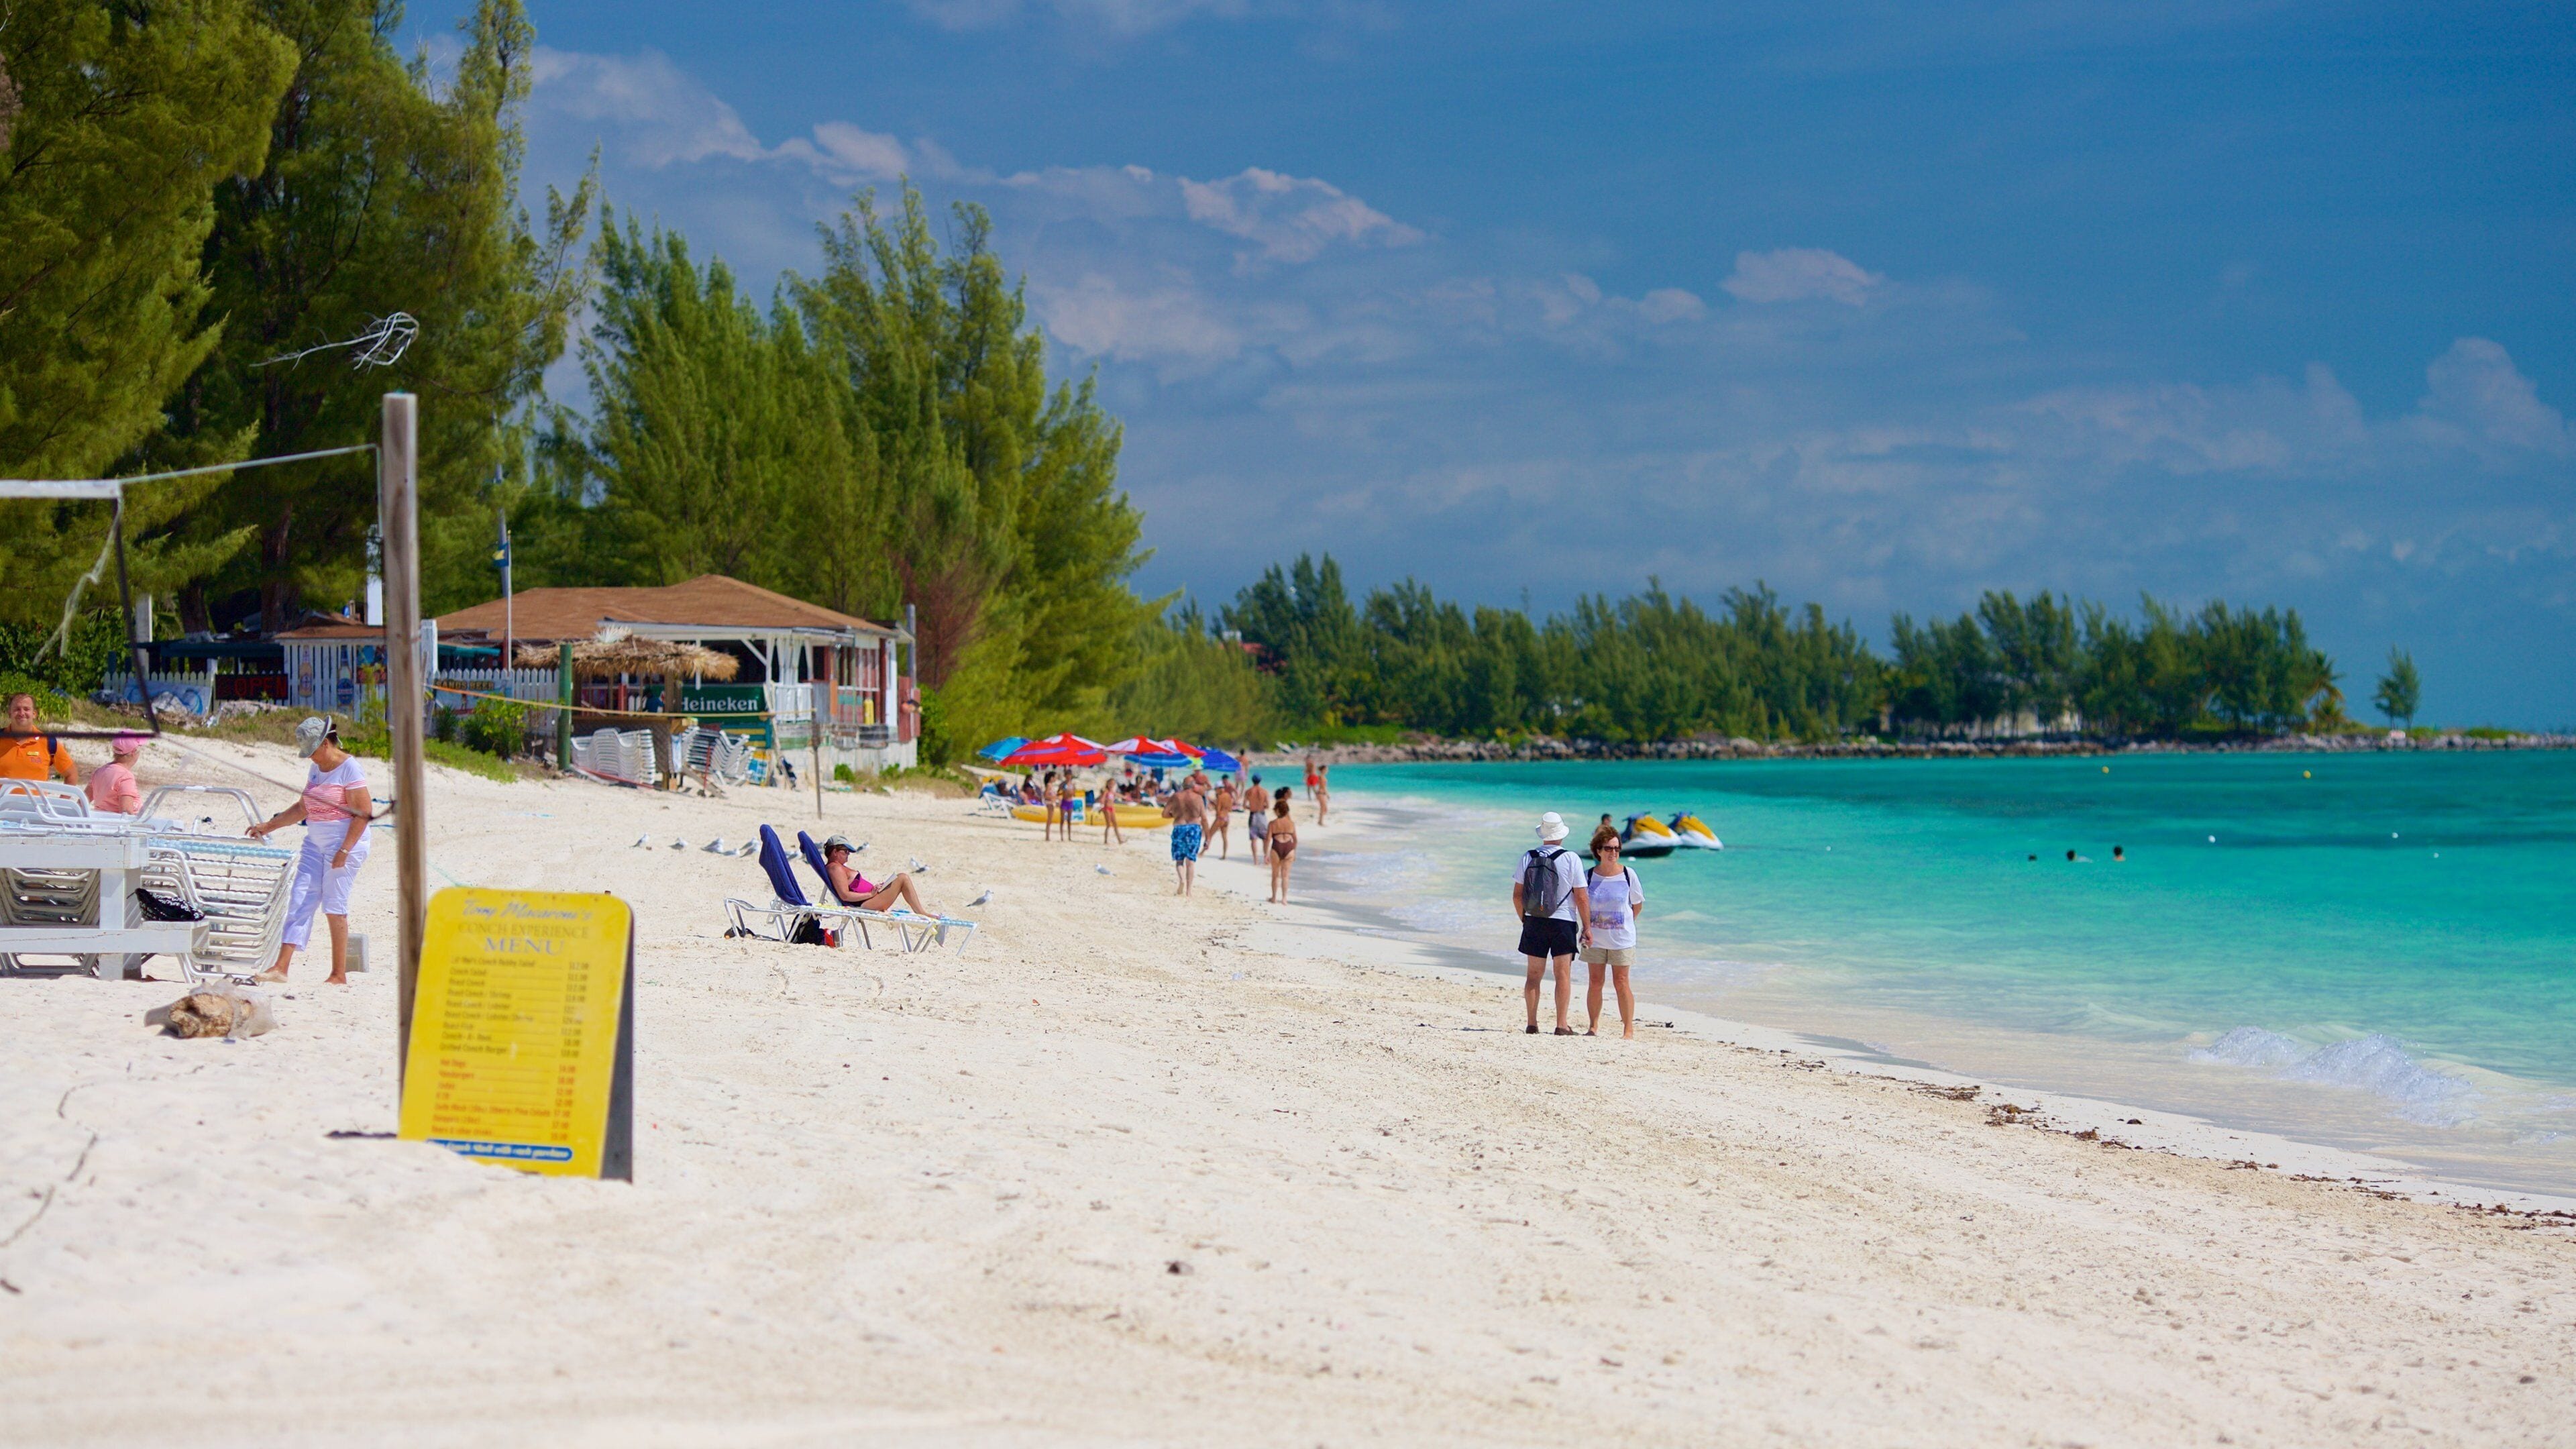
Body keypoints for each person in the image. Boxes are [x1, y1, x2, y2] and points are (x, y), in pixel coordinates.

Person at [247, 716, 371, 985]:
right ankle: (281, 967)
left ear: (325, 744)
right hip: (315, 842)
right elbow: (304, 808)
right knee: (301, 897)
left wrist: (345, 850)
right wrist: (269, 826)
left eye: (312, 752)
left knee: (334, 905)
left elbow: (363, 814)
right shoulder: (316, 769)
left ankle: (338, 975)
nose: (311, 759)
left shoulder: (350, 768)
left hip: (346, 844)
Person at [1513, 812, 1590, 1036]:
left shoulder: (1528, 856)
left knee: (1533, 975)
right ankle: (1561, 1024)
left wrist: (1525, 919)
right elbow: (1582, 897)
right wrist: (1587, 927)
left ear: (1543, 834)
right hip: (1563, 922)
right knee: (1562, 974)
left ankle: (1532, 1023)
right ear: (1561, 834)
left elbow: (1517, 896)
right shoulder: (1571, 858)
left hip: (1535, 921)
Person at [1580, 825, 1646, 1038]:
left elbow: (1637, 905)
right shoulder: (1588, 876)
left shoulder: (1628, 874)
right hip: (1595, 939)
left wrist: (1623, 924)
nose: (1614, 853)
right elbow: (1581, 906)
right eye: (1609, 848)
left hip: (1622, 939)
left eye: (1617, 849)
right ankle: (1593, 1026)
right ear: (1598, 850)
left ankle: (1628, 1029)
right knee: (1595, 982)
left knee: (1621, 982)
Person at [818, 834, 939, 916]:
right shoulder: (835, 868)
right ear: (834, 852)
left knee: (901, 878)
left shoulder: (838, 867)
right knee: (903, 878)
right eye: (846, 852)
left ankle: (921, 912)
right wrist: (870, 894)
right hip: (866, 904)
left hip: (871, 899)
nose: (848, 855)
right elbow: (844, 896)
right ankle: (921, 912)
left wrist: (875, 890)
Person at [1, 692, 79, 784]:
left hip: (36, 799)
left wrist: (62, 798)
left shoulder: (48, 742)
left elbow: (72, 774)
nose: (22, 713)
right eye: (17, 709)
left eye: (26, 709)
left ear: (34, 714)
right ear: (9, 713)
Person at [85, 732, 147, 814]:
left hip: (100, 822)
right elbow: (126, 813)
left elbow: (83, 801)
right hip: (116, 826)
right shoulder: (125, 777)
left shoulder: (99, 772)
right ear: (134, 751)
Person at [1169, 776, 1208, 895]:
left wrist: (1175, 815)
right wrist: (1208, 836)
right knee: (1191, 861)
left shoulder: (1176, 797)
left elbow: (1165, 813)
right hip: (1194, 829)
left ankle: (1181, 881)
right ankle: (1189, 891)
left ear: (1183, 785)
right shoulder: (1198, 798)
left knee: (1179, 860)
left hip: (1179, 828)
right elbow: (1205, 819)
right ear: (1193, 785)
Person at [1265, 796, 1298, 902]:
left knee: (1275, 875)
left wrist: (1266, 854)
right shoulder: (1291, 823)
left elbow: (1268, 839)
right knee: (1286, 875)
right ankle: (1284, 899)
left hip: (1277, 847)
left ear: (1278, 811)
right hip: (1289, 848)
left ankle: (1274, 898)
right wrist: (1294, 852)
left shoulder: (1273, 823)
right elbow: (1295, 840)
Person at [1210, 779, 1236, 859]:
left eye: (1216, 789)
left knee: (1209, 835)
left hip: (1220, 818)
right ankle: (1224, 855)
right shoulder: (1228, 796)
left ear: (1219, 789)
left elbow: (1218, 810)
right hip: (1227, 818)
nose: (1216, 791)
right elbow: (1230, 809)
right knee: (1224, 837)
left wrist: (1214, 805)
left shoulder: (1220, 797)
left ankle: (1201, 852)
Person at [1246, 783, 1270, 863]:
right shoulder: (1264, 791)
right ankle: (1266, 857)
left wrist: (1251, 807)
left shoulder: (1249, 791)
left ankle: (1255, 860)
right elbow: (1268, 806)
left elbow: (1244, 805)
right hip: (1262, 816)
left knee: (1254, 839)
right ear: (1260, 781)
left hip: (1253, 815)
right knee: (1265, 838)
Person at [1313, 762, 1330, 826]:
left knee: (1324, 809)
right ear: (1323, 770)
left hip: (1321, 793)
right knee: (1323, 808)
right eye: (1326, 769)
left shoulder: (1321, 776)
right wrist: (1327, 794)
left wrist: (1316, 794)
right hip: (1321, 793)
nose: (1327, 771)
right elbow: (1323, 787)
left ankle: (1320, 821)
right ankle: (1320, 822)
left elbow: (1316, 785)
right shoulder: (1321, 777)